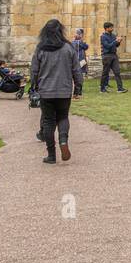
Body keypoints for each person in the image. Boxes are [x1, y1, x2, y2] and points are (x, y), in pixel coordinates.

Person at [31, 19, 83, 164]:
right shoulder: (68, 48)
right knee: (63, 117)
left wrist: (34, 86)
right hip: (64, 90)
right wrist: (78, 88)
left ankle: (51, 155)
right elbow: (76, 70)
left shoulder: (40, 49)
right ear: (61, 31)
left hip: (46, 91)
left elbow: (34, 70)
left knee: (48, 121)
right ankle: (63, 141)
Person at [99, 22, 126, 93]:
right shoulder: (103, 37)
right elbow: (107, 46)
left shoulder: (113, 35)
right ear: (106, 28)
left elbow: (115, 45)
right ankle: (102, 88)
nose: (112, 29)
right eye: (111, 27)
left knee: (117, 72)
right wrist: (115, 41)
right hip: (106, 56)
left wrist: (119, 42)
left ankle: (120, 88)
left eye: (112, 27)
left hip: (114, 55)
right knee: (105, 73)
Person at [71, 28, 89, 95]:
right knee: (79, 78)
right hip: (78, 61)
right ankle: (77, 92)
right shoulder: (78, 42)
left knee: (78, 77)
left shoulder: (74, 42)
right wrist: (82, 41)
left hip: (79, 61)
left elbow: (86, 47)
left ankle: (78, 92)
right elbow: (86, 46)